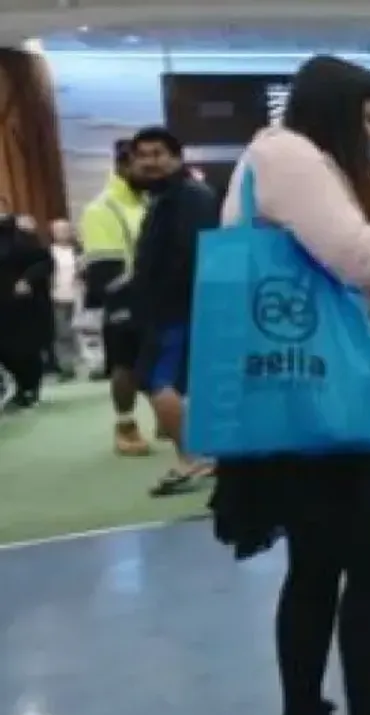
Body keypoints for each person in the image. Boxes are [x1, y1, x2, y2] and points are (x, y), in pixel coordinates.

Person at [208, 54, 370, 715]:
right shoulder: (292, 159)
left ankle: (306, 708)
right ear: (335, 112)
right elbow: (359, 259)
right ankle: (367, 711)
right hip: (327, 398)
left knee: (317, 562)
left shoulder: (268, 158)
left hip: (294, 393)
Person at [126, 126, 222, 497]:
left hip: (180, 309)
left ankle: (194, 457)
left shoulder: (191, 197)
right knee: (169, 383)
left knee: (157, 381)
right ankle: (202, 455)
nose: (149, 162)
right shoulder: (165, 199)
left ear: (177, 158)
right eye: (142, 155)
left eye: (158, 153)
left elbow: (195, 255)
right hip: (165, 310)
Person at [79, 138, 151, 454]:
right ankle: (125, 424)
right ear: (122, 165)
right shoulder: (100, 208)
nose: (150, 168)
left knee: (162, 359)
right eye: (141, 162)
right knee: (126, 365)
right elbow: (104, 271)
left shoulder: (149, 203)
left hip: (159, 297)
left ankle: (167, 418)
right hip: (124, 299)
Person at [0, 209, 52, 408]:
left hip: (21, 305)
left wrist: (28, 280)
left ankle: (29, 388)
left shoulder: (22, 237)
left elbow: (45, 261)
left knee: (23, 349)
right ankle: (18, 386)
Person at [47, 219, 81, 381]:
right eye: (59, 230)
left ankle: (87, 363)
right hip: (57, 295)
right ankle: (66, 366)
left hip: (78, 295)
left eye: (66, 229)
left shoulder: (78, 251)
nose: (63, 233)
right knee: (62, 332)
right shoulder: (50, 252)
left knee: (80, 331)